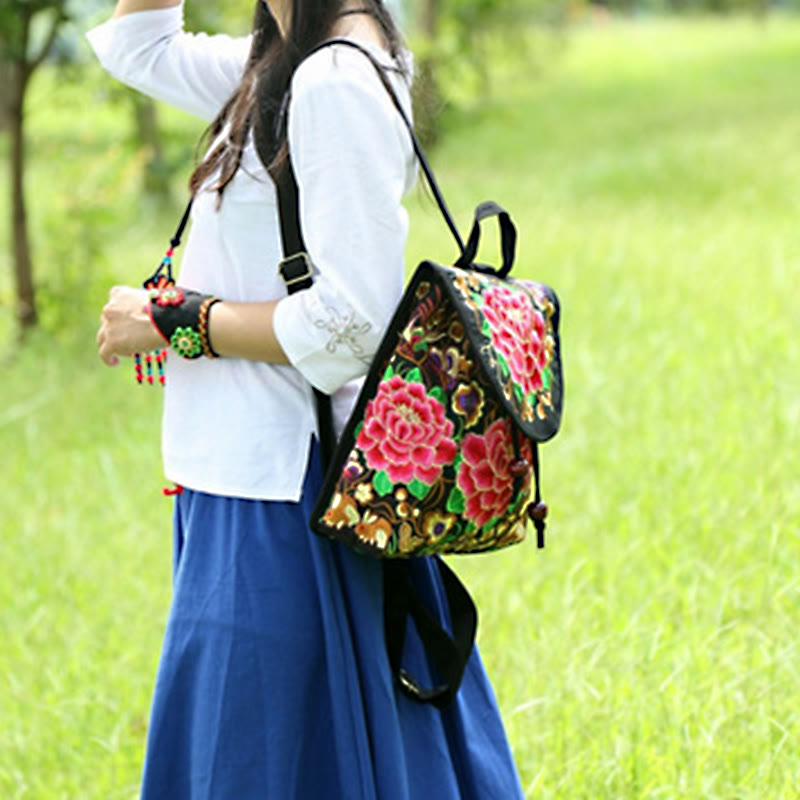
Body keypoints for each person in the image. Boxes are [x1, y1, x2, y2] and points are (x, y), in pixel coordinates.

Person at [88, 1, 526, 796]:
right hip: (248, 475)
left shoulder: (331, 78)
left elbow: (352, 322)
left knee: (261, 763)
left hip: (287, 490)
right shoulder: (280, 59)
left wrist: (173, 319)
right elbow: (134, 44)